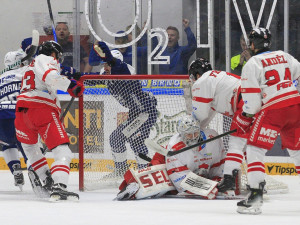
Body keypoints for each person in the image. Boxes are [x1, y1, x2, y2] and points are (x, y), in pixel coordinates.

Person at [236, 27, 300, 214]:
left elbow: (252, 100)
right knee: (296, 152)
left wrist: (247, 115)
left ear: (252, 44)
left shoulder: (252, 63)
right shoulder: (284, 55)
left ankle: (255, 196)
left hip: (274, 110)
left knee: (254, 149)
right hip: (295, 106)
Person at [14, 40, 84, 201]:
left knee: (32, 150)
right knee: (63, 151)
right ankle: (59, 187)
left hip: (21, 113)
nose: (57, 60)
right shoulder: (46, 59)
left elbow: (52, 74)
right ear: (53, 54)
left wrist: (70, 75)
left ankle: (47, 180)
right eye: (57, 57)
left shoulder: (28, 67)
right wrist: (71, 86)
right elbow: (51, 76)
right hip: (40, 109)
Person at [115, 115, 225, 200]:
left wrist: (218, 181)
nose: (193, 138)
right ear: (182, 134)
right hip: (165, 159)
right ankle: (132, 187)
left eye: (195, 134)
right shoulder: (175, 146)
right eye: (189, 135)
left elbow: (218, 166)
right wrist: (205, 188)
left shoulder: (212, 138)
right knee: (157, 180)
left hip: (186, 167)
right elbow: (180, 182)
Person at [93, 41, 158, 176]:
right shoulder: (108, 76)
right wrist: (71, 75)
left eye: (108, 64)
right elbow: (89, 79)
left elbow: (116, 65)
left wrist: (109, 58)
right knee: (135, 141)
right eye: (104, 64)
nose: (105, 67)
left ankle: (127, 172)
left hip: (145, 112)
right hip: (137, 113)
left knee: (117, 138)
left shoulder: (124, 70)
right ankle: (142, 172)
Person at [188, 57, 250, 196]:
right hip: (252, 100)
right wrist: (197, 130)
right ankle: (256, 183)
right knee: (249, 146)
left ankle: (229, 180)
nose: (193, 81)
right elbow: (206, 117)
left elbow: (199, 116)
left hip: (244, 104)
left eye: (192, 77)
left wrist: (186, 136)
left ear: (197, 74)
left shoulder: (202, 82)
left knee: (236, 143)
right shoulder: (216, 80)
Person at [0, 49, 27, 190]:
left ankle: (15, 167)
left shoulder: (0, 77)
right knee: (29, 147)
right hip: (18, 117)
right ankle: (40, 176)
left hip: (1, 122)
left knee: (6, 143)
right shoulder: (24, 74)